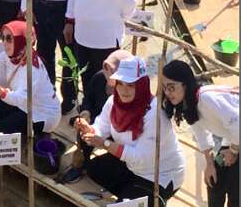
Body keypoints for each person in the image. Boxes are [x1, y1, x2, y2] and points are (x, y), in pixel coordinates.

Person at [75, 57, 185, 206]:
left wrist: (104, 143)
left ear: (141, 86)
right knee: (94, 169)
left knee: (129, 201)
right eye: (120, 83)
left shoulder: (155, 114)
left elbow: (141, 157)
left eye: (131, 85)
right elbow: (101, 126)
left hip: (158, 175)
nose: (124, 90)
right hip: (131, 165)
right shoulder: (113, 102)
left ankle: (149, 197)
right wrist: (90, 130)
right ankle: (131, 194)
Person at [162, 60, 239, 207]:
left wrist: (233, 152)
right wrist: (209, 164)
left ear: (184, 84)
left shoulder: (207, 98)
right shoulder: (188, 105)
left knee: (235, 188)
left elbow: (238, 124)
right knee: (214, 180)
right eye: (165, 88)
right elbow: (202, 135)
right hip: (233, 140)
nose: (167, 93)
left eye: (171, 87)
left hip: (236, 140)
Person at [61, 49, 134, 184]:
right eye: (107, 69)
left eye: (113, 71)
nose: (108, 75)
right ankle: (82, 162)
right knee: (83, 129)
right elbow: (88, 99)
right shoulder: (99, 78)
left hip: (121, 130)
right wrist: (86, 113)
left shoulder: (131, 92)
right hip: (100, 121)